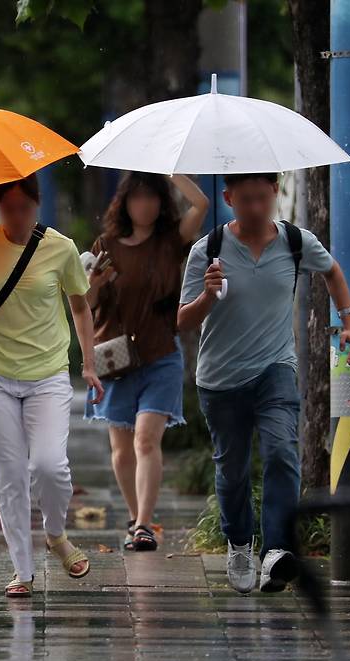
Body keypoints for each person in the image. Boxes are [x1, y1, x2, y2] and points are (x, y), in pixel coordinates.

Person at [178, 172, 350, 594]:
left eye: (263, 198)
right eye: (245, 200)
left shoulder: (296, 242)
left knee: (282, 450)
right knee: (233, 469)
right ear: (228, 198)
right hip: (220, 379)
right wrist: (207, 295)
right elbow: (182, 321)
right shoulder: (206, 251)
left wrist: (349, 322)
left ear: (275, 193)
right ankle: (240, 543)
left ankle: (278, 549)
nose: (257, 208)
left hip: (275, 368)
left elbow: (333, 272)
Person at [0, 174, 104, 598]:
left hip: (47, 374)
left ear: (37, 204)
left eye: (24, 208)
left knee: (50, 465)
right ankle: (22, 572)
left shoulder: (60, 248)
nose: (16, 217)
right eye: (7, 209)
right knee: (9, 474)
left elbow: (80, 308)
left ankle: (55, 534)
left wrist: (88, 362)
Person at [85, 172, 208, 551]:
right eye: (137, 198)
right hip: (115, 356)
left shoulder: (171, 241)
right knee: (121, 450)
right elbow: (85, 306)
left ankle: (142, 524)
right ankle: (136, 517)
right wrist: (96, 283)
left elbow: (201, 205)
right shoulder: (105, 245)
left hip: (160, 354)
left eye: (153, 197)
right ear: (124, 203)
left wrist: (171, 170)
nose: (146, 205)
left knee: (146, 439)